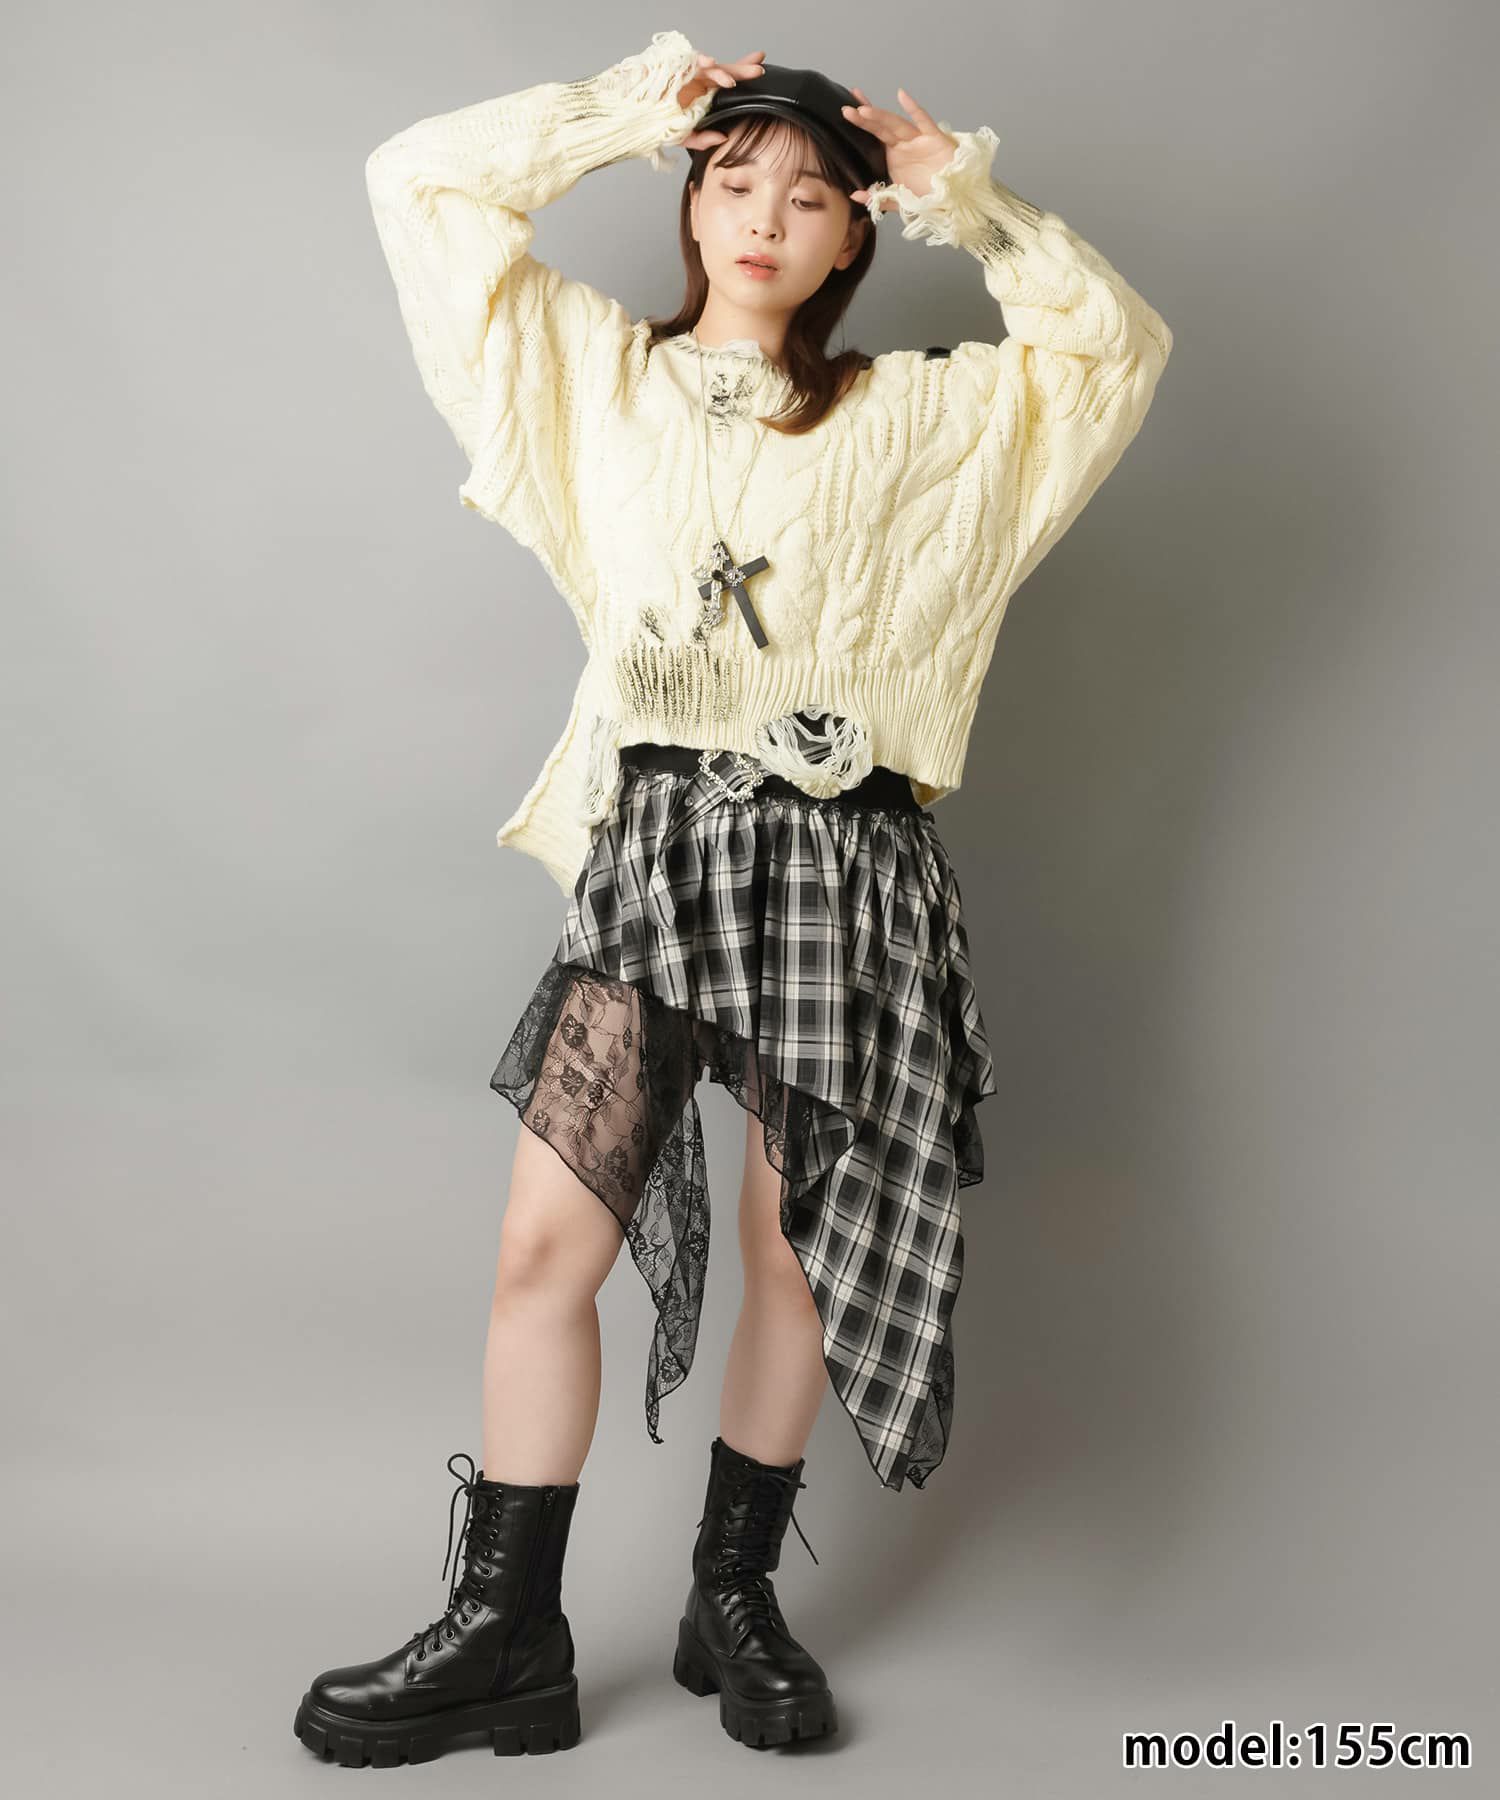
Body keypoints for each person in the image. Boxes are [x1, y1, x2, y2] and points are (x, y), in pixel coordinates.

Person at [294, 28, 1173, 1767]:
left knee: (795, 1249)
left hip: (844, 872)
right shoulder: (588, 375)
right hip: (659, 861)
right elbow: (420, 186)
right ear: (690, 203)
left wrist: (970, 202)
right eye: (736, 179)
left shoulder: (920, 415)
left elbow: (1114, 352)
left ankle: (734, 1595)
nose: (766, 216)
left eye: (813, 196)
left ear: (853, 239)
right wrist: (635, 107)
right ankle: (508, 1632)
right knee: (546, 1244)